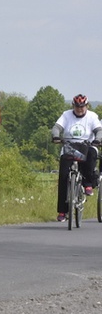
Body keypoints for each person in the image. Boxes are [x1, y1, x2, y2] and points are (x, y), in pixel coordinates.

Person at [51, 94, 102, 222]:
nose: (79, 109)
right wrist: (56, 136)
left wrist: (97, 140)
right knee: (63, 176)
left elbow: (99, 130)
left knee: (91, 153)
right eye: (77, 107)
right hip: (70, 146)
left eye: (82, 107)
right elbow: (57, 127)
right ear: (73, 106)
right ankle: (63, 211)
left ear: (87, 106)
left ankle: (88, 183)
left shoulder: (92, 116)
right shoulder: (66, 115)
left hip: (87, 145)